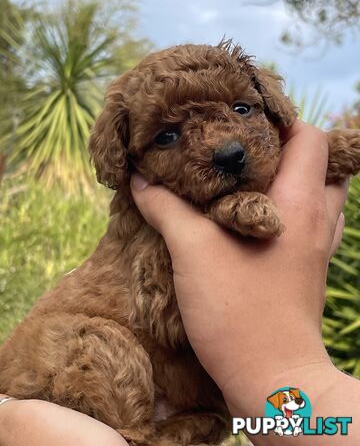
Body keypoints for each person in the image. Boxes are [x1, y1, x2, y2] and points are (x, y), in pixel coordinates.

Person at [0, 120, 359, 445]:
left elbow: (315, 423)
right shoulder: (143, 229)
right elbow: (162, 316)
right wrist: (288, 375)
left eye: (240, 108)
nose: (224, 142)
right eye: (167, 136)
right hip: (86, 373)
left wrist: (280, 375)